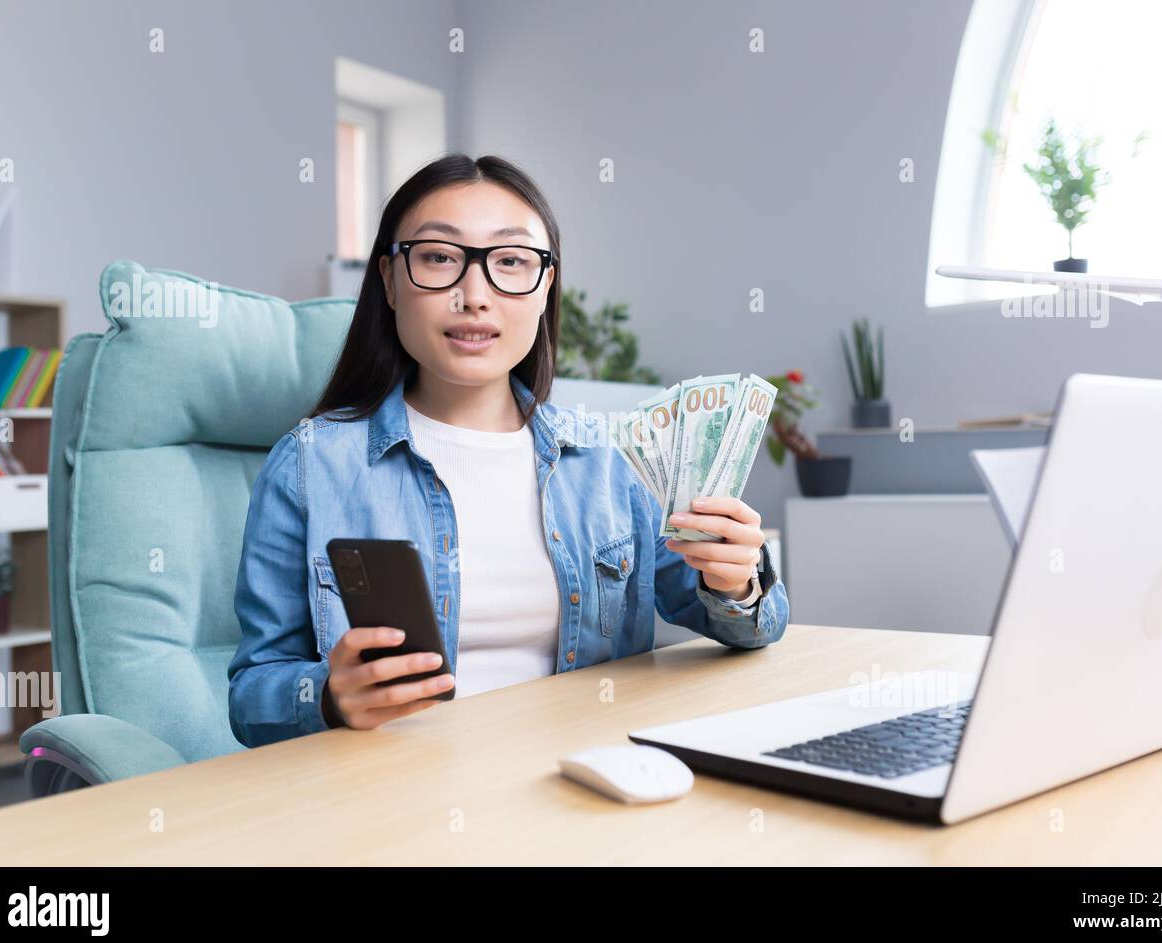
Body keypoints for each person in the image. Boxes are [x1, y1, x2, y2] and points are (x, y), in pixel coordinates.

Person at [228, 153, 789, 746]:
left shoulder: (608, 463)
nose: (475, 295)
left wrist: (738, 584)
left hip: (586, 782)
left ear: (545, 287)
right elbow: (251, 697)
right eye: (439, 257)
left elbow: (744, 626)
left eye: (511, 262)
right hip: (396, 804)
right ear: (390, 281)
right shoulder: (311, 466)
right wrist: (328, 696)